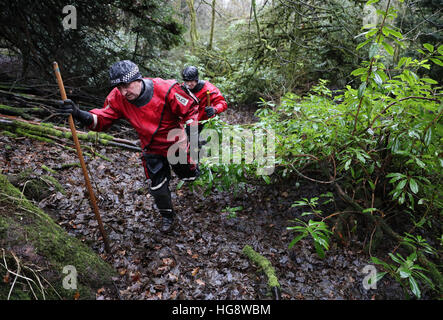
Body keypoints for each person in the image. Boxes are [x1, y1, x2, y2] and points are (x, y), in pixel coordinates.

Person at [59, 60, 200, 233]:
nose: (123, 92)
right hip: (150, 146)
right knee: (157, 186)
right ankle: (167, 216)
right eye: (119, 87)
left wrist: (193, 137)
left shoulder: (167, 89)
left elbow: (191, 109)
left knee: (188, 173)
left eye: (126, 86)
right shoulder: (117, 97)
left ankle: (192, 174)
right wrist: (78, 113)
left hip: (175, 142)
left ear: (138, 79)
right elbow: (102, 120)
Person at [181, 66, 227, 136]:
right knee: (192, 144)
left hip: (204, 122)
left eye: (191, 81)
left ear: (196, 79)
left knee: (203, 145)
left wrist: (215, 109)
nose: (189, 84)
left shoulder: (209, 89)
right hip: (189, 122)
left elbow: (222, 103)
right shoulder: (182, 88)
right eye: (187, 81)